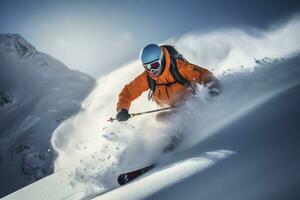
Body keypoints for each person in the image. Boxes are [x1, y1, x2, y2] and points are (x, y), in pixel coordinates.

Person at [116, 44, 220, 122]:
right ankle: (171, 138)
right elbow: (127, 93)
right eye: (147, 67)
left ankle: (182, 132)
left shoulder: (179, 67)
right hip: (172, 110)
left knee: (173, 117)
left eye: (155, 65)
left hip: (192, 104)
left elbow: (203, 74)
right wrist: (122, 109)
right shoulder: (147, 77)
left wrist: (212, 86)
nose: (152, 70)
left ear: (161, 60)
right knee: (159, 119)